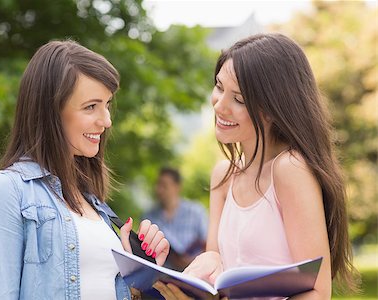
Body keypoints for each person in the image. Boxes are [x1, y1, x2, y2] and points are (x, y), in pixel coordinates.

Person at [154, 33, 359, 299]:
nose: (220, 105)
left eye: (238, 99)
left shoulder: (289, 169)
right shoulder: (223, 175)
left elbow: (317, 292)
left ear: (274, 108)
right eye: (219, 87)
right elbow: (218, 264)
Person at [0, 39, 170, 300]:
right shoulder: (5, 193)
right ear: (50, 111)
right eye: (90, 107)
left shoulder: (93, 202)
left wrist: (144, 271)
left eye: (107, 105)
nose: (106, 121)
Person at [142, 167, 208, 271]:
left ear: (177, 187)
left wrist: (191, 261)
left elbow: (207, 244)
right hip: (161, 275)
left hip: (194, 271)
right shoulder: (149, 216)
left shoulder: (196, 211)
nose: (159, 189)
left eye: (164, 185)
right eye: (158, 184)